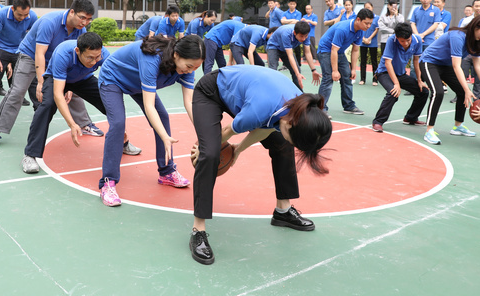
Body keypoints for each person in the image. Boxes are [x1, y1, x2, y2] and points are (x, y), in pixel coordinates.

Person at [188, 65, 332, 265]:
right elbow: (230, 130)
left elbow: (267, 128)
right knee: (211, 154)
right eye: (293, 137)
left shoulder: (301, 109)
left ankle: (283, 211)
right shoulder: (261, 109)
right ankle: (198, 230)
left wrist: (238, 150)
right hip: (211, 91)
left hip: (250, 96)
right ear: (290, 124)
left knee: (283, 144)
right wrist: (205, 149)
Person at [0, 0, 107, 150]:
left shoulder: (81, 30)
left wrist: (70, 85)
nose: (85, 22)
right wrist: (41, 82)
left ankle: (85, 123)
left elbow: (75, 56)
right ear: (72, 12)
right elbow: (39, 53)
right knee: (17, 91)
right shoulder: (50, 22)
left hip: (57, 60)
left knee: (74, 90)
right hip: (31, 56)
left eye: (88, 19)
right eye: (82, 17)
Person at [97, 35, 204, 206]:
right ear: (176, 55)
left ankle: (166, 172)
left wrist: (204, 134)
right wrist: (165, 137)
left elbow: (190, 102)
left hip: (137, 83)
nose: (191, 71)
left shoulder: (186, 69)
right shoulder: (152, 58)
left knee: (163, 117)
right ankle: (107, 183)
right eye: (189, 66)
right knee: (117, 123)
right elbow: (149, 106)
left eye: (196, 68)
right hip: (113, 78)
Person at [21, 33, 111, 174]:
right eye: (90, 58)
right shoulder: (63, 53)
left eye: (97, 57)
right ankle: (30, 154)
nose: (94, 62)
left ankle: (123, 141)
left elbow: (113, 82)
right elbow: (58, 94)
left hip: (83, 79)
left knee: (110, 101)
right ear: (78, 51)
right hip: (56, 78)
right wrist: (72, 124)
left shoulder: (103, 55)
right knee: (47, 106)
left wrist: (118, 123)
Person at [419, 15, 480, 145]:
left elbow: (478, 65)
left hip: (445, 65)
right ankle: (429, 130)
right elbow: (456, 66)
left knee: (462, 92)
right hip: (430, 62)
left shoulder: (475, 42)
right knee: (438, 92)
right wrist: (467, 89)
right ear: (475, 27)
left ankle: (458, 126)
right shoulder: (457, 36)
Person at [370, 23, 428, 132]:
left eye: (408, 40)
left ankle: (410, 118)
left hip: (400, 74)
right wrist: (396, 84)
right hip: (384, 73)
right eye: (402, 41)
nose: (405, 43)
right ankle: (378, 122)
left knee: (423, 91)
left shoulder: (417, 40)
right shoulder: (391, 40)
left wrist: (419, 80)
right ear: (397, 37)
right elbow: (388, 63)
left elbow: (416, 61)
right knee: (393, 92)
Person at [317, 8, 373, 117]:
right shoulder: (343, 29)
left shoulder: (361, 31)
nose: (368, 26)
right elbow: (333, 50)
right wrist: (335, 71)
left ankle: (349, 106)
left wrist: (353, 69)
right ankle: (320, 108)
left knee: (347, 76)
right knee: (328, 78)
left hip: (339, 52)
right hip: (325, 50)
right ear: (358, 20)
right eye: (366, 23)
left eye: (370, 23)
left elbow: (355, 50)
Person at [266, 21, 321, 90]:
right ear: (295, 33)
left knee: (297, 70)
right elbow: (290, 55)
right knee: (273, 70)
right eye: (301, 36)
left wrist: (313, 70)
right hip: (274, 46)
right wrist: (297, 74)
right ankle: (270, 90)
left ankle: (298, 93)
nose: (303, 39)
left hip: (285, 48)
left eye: (305, 36)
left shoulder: (306, 34)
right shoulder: (286, 34)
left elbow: (307, 53)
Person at [359, 1, 380, 86]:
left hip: (373, 43)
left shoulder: (377, 18)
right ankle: (362, 79)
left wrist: (369, 38)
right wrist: (364, 39)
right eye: (366, 8)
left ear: (372, 7)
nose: (368, 9)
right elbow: (359, 29)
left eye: (369, 7)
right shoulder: (362, 18)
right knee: (363, 61)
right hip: (363, 42)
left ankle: (375, 79)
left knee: (374, 61)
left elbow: (376, 29)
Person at [282, 0, 303, 65]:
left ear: (295, 5)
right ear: (288, 4)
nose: (292, 5)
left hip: (295, 32)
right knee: (286, 49)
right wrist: (292, 20)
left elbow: (297, 22)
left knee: (297, 49)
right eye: (291, 4)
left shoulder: (298, 13)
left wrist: (287, 21)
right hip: (287, 33)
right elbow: (282, 21)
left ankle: (298, 64)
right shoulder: (284, 13)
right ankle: (285, 64)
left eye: (293, 4)